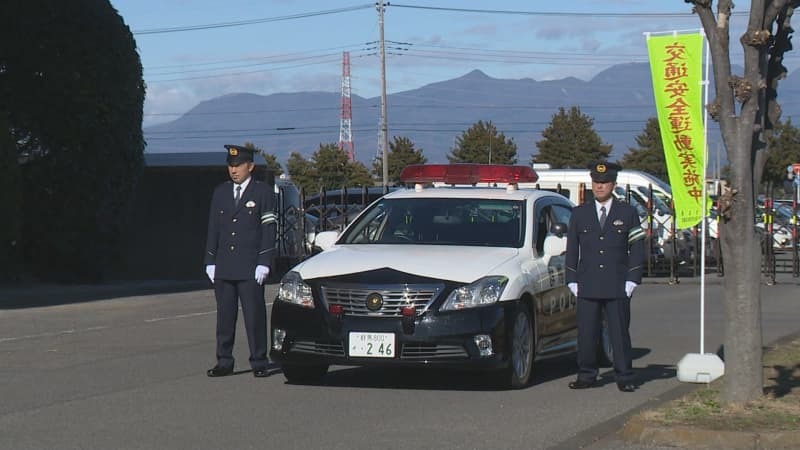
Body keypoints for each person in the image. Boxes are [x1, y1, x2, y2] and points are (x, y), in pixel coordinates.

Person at [565, 162, 646, 393]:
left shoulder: (627, 213)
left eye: (604, 183)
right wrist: (572, 279)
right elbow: (572, 247)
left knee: (619, 333)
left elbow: (637, 247)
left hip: (617, 283)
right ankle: (586, 374)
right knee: (587, 333)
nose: (599, 187)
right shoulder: (579, 213)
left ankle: (625, 376)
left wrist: (633, 279)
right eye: (596, 183)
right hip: (587, 283)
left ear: (613, 184)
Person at [204, 144, 276, 378]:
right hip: (225, 265)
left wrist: (264, 261)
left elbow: (268, 229)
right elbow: (213, 229)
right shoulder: (221, 192)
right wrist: (210, 260)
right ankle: (224, 360)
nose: (233, 170)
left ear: (250, 166)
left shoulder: (262, 192)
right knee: (225, 317)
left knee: (254, 316)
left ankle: (259, 361)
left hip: (250, 265)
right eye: (230, 166)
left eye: (238, 165)